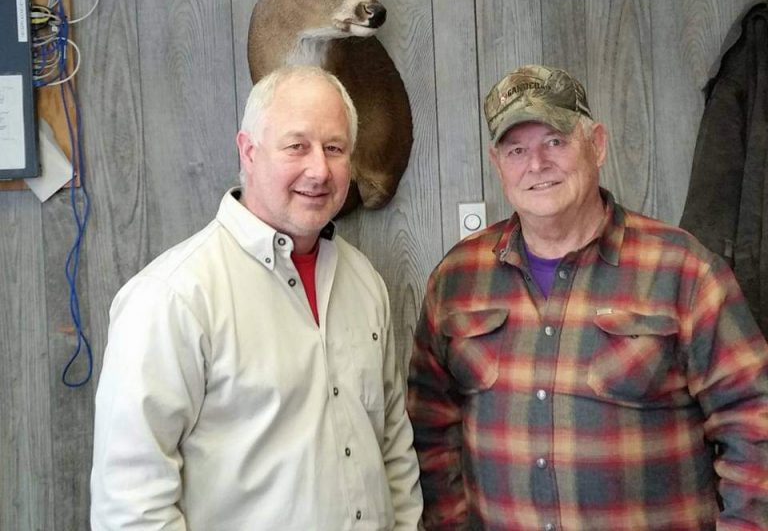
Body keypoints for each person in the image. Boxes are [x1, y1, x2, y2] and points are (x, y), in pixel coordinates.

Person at [407, 64, 768, 530]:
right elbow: (431, 429)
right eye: (516, 149)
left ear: (596, 144)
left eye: (555, 142)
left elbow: (754, 419)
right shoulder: (457, 279)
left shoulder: (683, 269)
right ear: (498, 166)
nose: (536, 165)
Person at [91, 65, 422, 530]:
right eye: (296, 146)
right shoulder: (173, 297)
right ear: (249, 151)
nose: (319, 169)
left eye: (334, 148)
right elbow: (130, 502)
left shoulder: (364, 282)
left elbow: (392, 447)